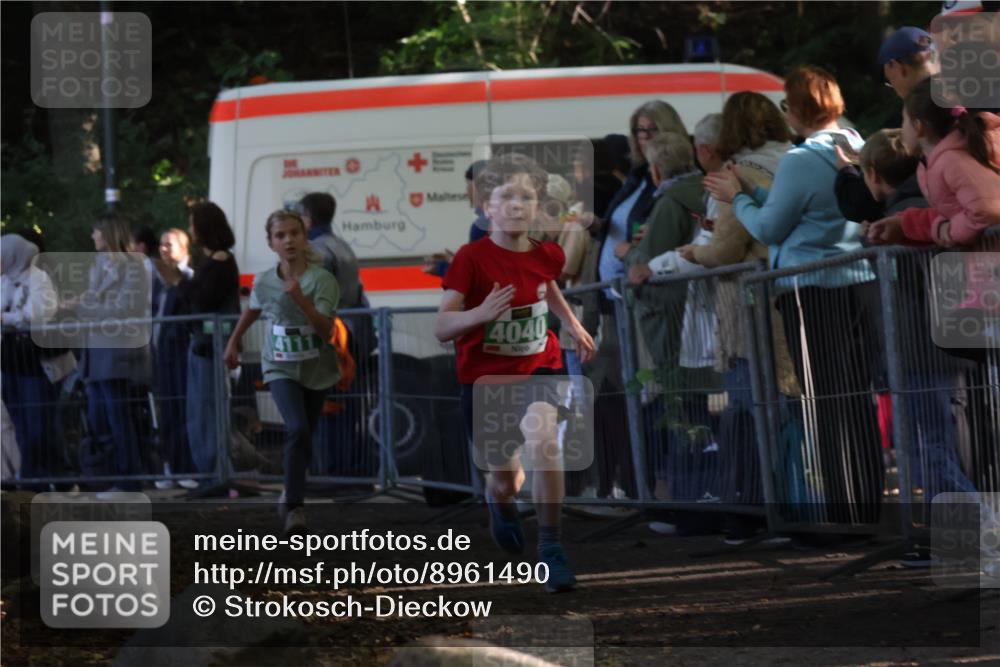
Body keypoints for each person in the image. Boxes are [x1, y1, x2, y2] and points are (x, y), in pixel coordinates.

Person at [704, 66, 883, 527]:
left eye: (787, 105)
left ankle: (844, 514)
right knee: (857, 398)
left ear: (798, 110)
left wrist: (738, 198)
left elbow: (768, 228)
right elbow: (811, 203)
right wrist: (754, 190)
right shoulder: (855, 143)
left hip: (813, 292)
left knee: (827, 403)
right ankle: (866, 505)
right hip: (859, 282)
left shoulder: (802, 158)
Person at [435, 153, 595, 593]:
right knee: (508, 480)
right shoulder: (470, 259)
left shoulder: (547, 253)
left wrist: (570, 322)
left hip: (538, 365)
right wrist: (480, 313)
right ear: (487, 206)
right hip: (486, 380)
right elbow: (442, 326)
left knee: (545, 443)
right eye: (507, 196)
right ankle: (498, 500)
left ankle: (551, 548)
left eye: (526, 196)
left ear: (537, 205)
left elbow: (546, 283)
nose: (517, 205)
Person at [677, 93, 798, 542]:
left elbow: (727, 249)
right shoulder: (794, 160)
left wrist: (696, 252)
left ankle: (749, 511)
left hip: (748, 307)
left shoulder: (738, 172)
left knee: (749, 408)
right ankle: (790, 505)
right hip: (792, 295)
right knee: (788, 405)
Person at [225, 209, 340, 535]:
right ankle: (294, 509)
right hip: (279, 365)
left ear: (304, 238)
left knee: (304, 437)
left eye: (294, 233)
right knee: (297, 428)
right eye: (280, 235)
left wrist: (302, 300)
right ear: (271, 243)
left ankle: (290, 491)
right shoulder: (264, 280)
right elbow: (253, 309)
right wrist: (233, 343)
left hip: (317, 369)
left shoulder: (322, 280)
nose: (288, 240)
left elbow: (326, 331)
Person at [157, 202, 240, 479]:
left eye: (194, 224)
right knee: (200, 412)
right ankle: (209, 469)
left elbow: (202, 300)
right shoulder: (212, 261)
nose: (191, 230)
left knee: (207, 412)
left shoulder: (220, 261)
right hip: (202, 344)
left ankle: (214, 470)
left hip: (210, 345)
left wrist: (178, 281)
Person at [76, 213, 153, 491]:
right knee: (100, 419)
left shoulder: (134, 266)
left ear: (107, 233)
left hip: (118, 354)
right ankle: (110, 478)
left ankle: (128, 479)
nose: (92, 236)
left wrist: (83, 308)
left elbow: (124, 308)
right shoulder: (99, 264)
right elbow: (95, 300)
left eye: (96, 231)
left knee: (119, 418)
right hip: (96, 353)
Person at [834, 27, 939, 227]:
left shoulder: (916, 114)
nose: (895, 90)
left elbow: (862, 203)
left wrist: (847, 171)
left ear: (897, 66)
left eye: (890, 82)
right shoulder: (968, 97)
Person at [1, 234, 58, 482]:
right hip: (10, 361)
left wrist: (8, 318)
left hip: (33, 363)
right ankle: (29, 477)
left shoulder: (38, 279)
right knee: (19, 424)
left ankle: (42, 477)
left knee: (37, 425)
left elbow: (37, 313)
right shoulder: (6, 281)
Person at [151, 228, 196, 489]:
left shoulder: (189, 278)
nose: (163, 249)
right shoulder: (159, 282)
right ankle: (170, 465)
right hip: (162, 355)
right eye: (161, 244)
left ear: (184, 247)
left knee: (183, 411)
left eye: (169, 244)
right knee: (167, 412)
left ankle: (186, 467)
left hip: (181, 354)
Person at [296, 193, 364, 309]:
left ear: (308, 219)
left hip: (329, 316)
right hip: (350, 316)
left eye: (299, 216)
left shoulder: (315, 249)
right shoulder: (342, 245)